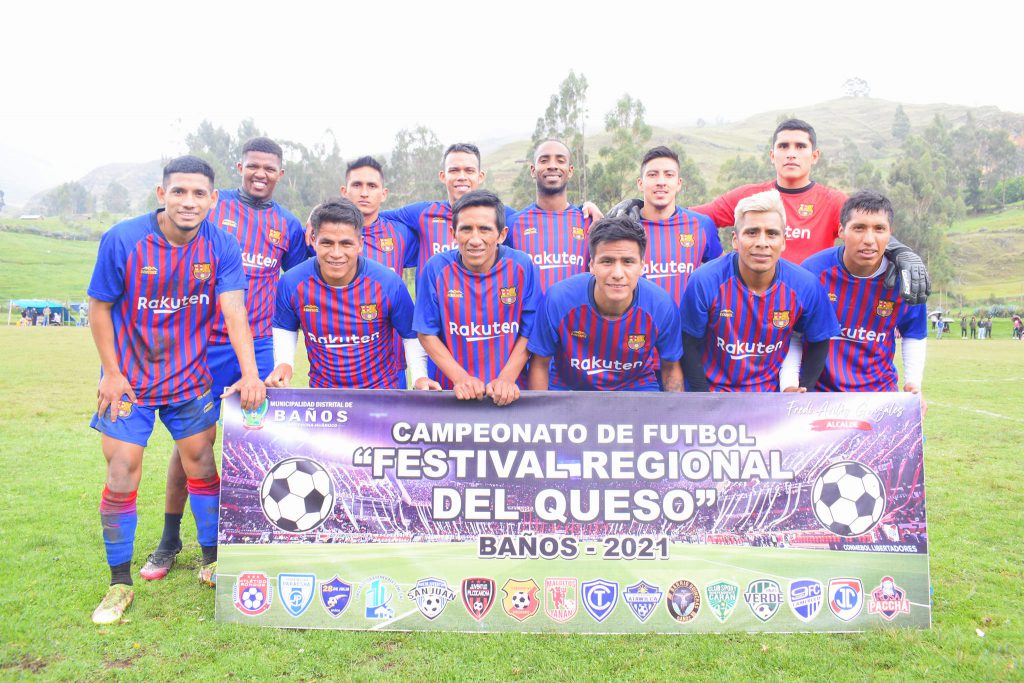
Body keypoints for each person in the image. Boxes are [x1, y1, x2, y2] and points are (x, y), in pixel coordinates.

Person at [87, 156, 265, 624]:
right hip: (129, 382)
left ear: (213, 199)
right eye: (179, 191)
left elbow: (235, 312)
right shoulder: (124, 239)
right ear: (161, 194)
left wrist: (250, 374)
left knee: (201, 462)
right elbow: (99, 307)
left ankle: (212, 560)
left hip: (188, 379)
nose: (189, 201)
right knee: (122, 469)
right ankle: (119, 583)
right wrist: (111, 373)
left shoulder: (222, 245)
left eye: (199, 193)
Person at [142, 137, 307, 583]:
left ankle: (262, 535)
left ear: (280, 174)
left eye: (269, 168)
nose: (260, 174)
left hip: (261, 345)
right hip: (205, 344)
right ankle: (170, 539)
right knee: (192, 442)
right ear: (240, 167)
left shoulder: (288, 225)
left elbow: (295, 282)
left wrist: (286, 351)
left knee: (267, 439)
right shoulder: (213, 207)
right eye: (253, 166)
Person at [613, 119, 931, 305]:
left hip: (805, 309)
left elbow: (866, 228)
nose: (791, 153)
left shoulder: (833, 200)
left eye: (800, 147)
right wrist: (637, 205)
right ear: (772, 155)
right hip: (754, 314)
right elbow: (684, 217)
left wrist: (902, 253)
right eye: (783, 146)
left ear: (815, 155)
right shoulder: (748, 196)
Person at [679, 189, 839, 392]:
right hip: (714, 392)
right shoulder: (704, 280)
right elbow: (688, 344)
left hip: (769, 397)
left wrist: (800, 391)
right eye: (751, 232)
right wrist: (705, 398)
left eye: (772, 234)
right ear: (735, 240)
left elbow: (819, 341)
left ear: (783, 241)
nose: (762, 243)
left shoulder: (806, 285)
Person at [780, 191, 927, 409]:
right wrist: (789, 385)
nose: (869, 239)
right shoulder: (813, 271)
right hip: (818, 399)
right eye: (859, 228)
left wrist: (913, 383)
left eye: (879, 229)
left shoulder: (906, 277)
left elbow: (914, 333)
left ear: (890, 233)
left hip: (878, 399)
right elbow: (794, 335)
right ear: (841, 231)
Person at [265, 198, 431, 390]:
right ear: (314, 240)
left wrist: (419, 376)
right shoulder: (291, 282)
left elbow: (410, 334)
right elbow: (285, 326)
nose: (336, 253)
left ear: (360, 244)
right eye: (327, 243)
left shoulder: (388, 283)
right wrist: (284, 363)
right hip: (324, 396)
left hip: (381, 394)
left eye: (346, 244)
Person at [527, 215, 683, 391]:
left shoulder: (661, 306)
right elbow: (540, 364)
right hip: (569, 389)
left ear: (642, 266)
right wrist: (541, 408)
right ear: (592, 265)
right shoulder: (559, 299)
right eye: (607, 261)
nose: (617, 274)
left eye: (628, 262)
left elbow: (671, 368)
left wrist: (675, 408)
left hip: (636, 389)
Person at [414, 190, 540, 405]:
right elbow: (426, 333)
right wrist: (460, 378)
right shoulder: (436, 268)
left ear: (502, 234)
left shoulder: (522, 266)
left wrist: (506, 378)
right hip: (453, 395)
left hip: (509, 395)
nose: (474, 240)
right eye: (466, 229)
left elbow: (530, 330)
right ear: (453, 233)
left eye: (484, 229)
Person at [340, 156, 418, 387]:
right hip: (337, 364)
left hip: (390, 364)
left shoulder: (401, 234)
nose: (364, 193)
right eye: (357, 185)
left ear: (384, 194)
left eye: (372, 186)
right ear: (344, 191)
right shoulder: (324, 234)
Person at [635, 146, 722, 305]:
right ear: (640, 183)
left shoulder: (702, 225)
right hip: (639, 321)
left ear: (679, 183)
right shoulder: (625, 228)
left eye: (669, 175)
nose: (661, 182)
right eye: (653, 175)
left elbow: (724, 274)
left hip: (687, 321)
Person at [505, 140, 593, 292]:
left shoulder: (589, 222)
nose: (552, 166)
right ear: (533, 170)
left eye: (560, 160)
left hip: (577, 309)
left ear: (570, 171)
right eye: (544, 160)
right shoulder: (513, 224)